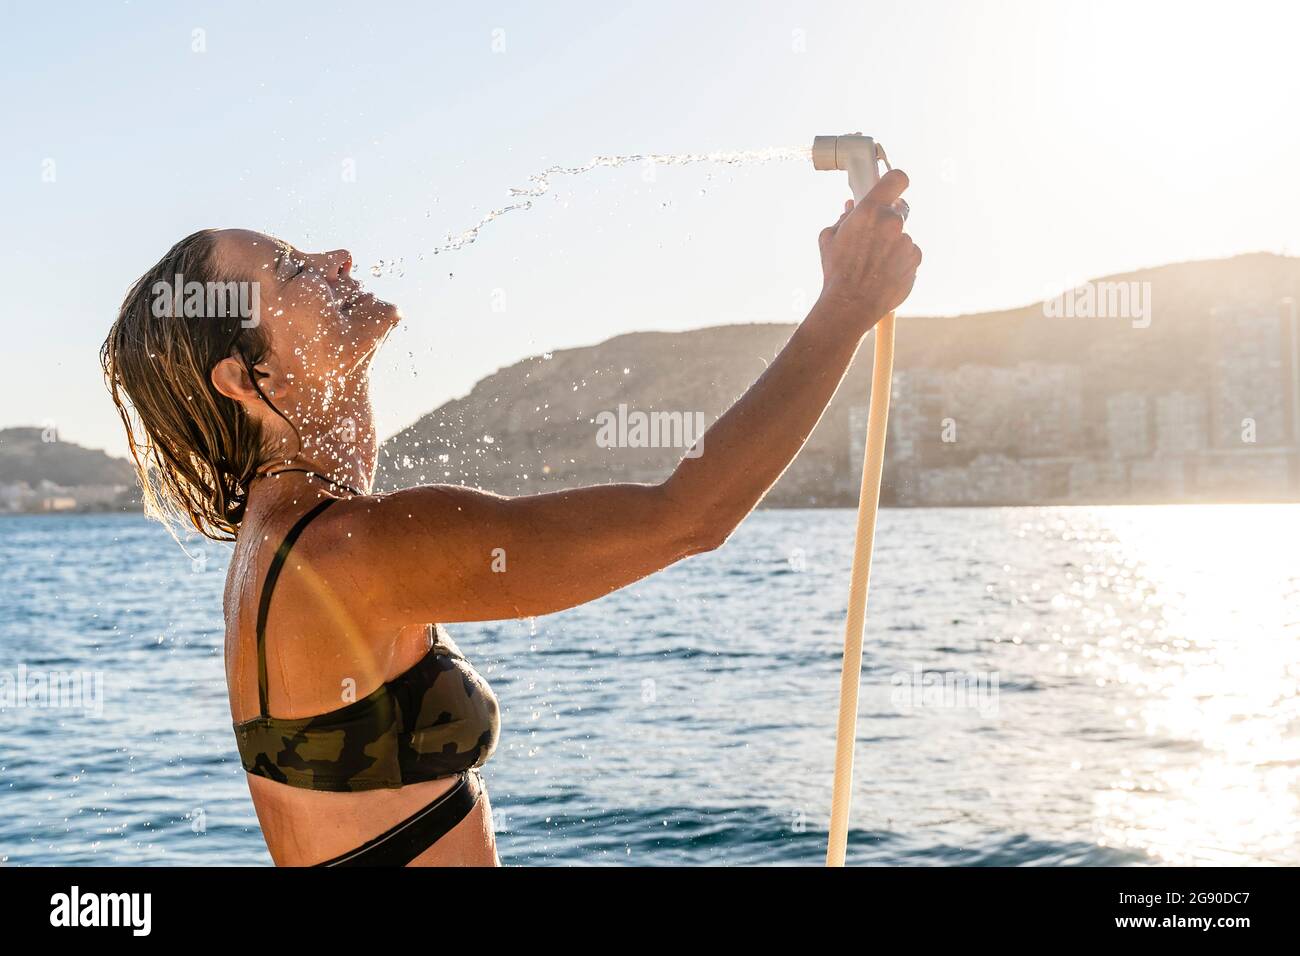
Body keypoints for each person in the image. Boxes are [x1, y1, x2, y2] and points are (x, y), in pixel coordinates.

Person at [99, 169, 919, 866]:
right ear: (245, 377)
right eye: (294, 271)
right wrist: (845, 307)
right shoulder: (348, 547)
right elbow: (687, 517)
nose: (338, 260)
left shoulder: (279, 541)